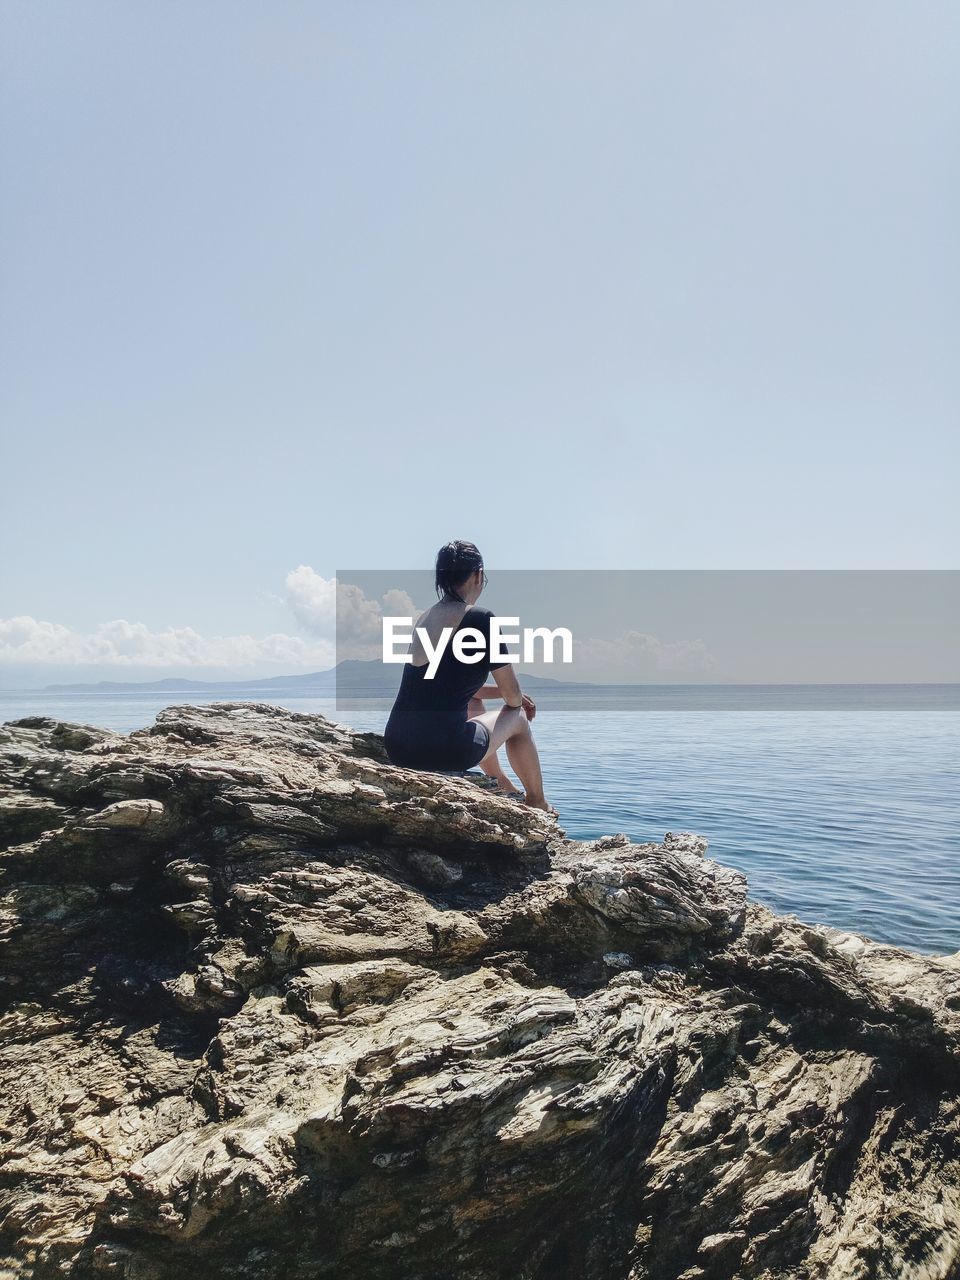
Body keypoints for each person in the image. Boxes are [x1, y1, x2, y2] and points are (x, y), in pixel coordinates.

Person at [383, 540, 554, 812]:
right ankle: (536, 800)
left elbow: (447, 686)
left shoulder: (425, 618)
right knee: (519, 717)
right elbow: (512, 698)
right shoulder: (480, 618)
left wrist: (505, 695)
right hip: (443, 751)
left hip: (398, 745)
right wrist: (519, 700)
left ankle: (501, 784)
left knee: (473, 703)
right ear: (477, 575)